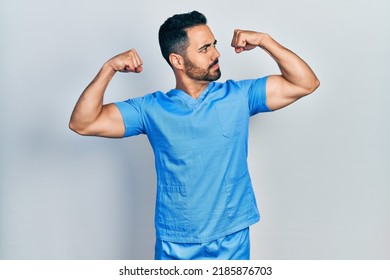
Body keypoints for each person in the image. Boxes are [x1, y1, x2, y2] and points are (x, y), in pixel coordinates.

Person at [69, 11, 319, 260]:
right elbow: (83, 122)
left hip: (231, 237)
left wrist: (265, 41)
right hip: (177, 242)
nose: (216, 54)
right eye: (204, 49)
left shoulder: (239, 96)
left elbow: (305, 83)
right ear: (177, 61)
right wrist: (108, 69)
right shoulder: (151, 109)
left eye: (214, 45)